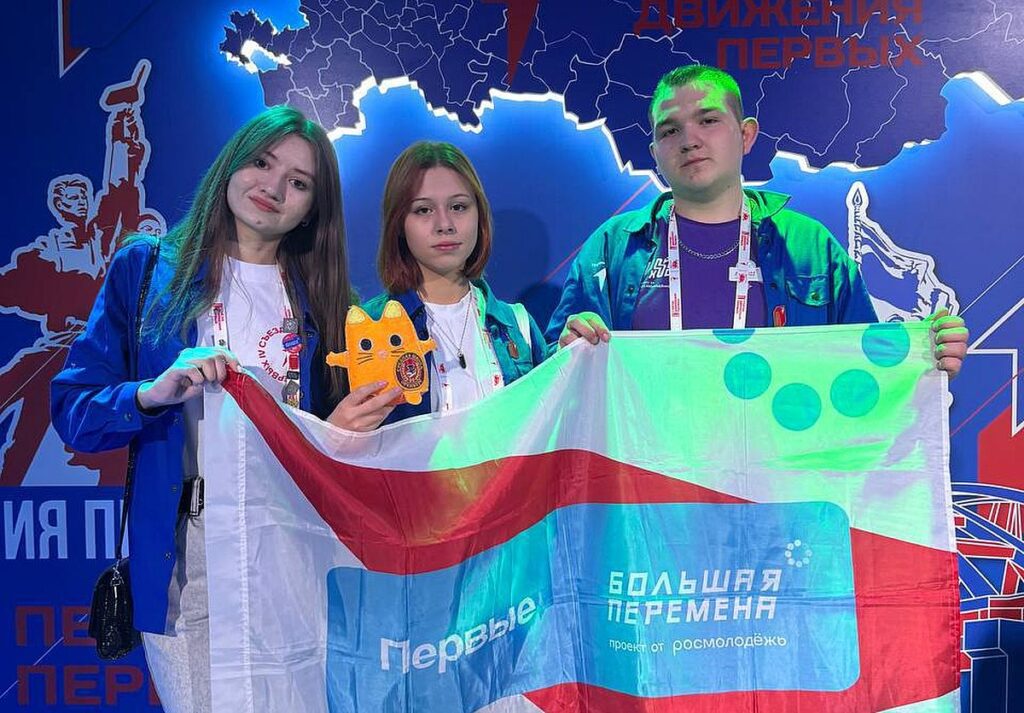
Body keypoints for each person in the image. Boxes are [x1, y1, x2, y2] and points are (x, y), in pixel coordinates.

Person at [50, 106, 384, 712]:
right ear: (232, 163)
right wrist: (151, 394)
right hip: (189, 553)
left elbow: (347, 460)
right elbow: (74, 410)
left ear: (313, 209)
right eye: (262, 162)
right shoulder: (147, 268)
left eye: (299, 182)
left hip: (295, 549)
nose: (273, 187)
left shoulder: (329, 302)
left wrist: (334, 434)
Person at [546, 64, 968, 376]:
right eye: (670, 131)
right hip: (648, 469)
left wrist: (924, 362)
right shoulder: (613, 247)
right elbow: (550, 378)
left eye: (708, 120)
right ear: (656, 153)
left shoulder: (811, 247)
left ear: (746, 135)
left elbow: (863, 370)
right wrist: (565, 353)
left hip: (778, 471)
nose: (689, 140)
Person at [352, 141, 547, 426]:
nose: (444, 224)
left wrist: (582, 349)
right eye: (423, 210)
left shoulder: (518, 325)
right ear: (399, 225)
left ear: (479, 216)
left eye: (458, 207)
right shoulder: (366, 327)